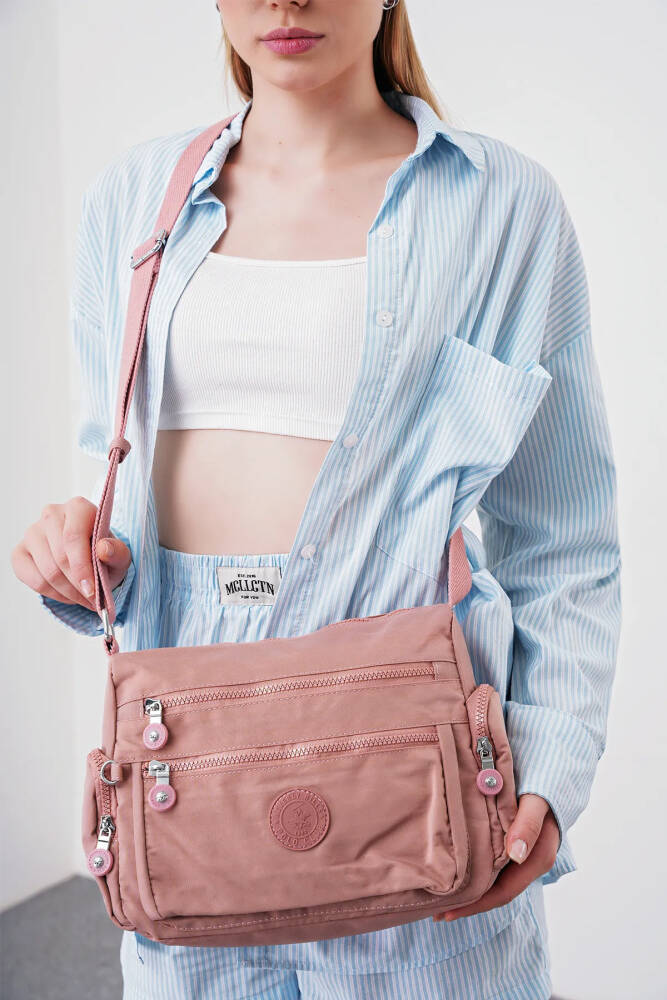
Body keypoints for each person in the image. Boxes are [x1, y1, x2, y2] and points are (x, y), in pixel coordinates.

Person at [10, 1, 622, 998]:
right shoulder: (130, 201)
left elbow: (563, 538)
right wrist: (75, 551)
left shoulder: (504, 207)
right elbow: (110, 484)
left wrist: (551, 771)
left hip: (413, 782)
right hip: (187, 791)